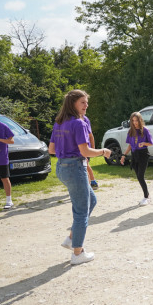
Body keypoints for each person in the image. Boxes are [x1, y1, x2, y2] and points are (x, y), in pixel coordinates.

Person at [49, 90, 111, 265]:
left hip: (62, 167)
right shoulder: (78, 123)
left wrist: (67, 149)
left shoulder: (60, 122)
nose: (86, 105)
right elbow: (85, 151)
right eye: (82, 102)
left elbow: (51, 149)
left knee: (92, 200)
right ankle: (77, 253)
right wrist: (103, 151)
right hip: (75, 168)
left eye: (86, 102)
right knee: (81, 211)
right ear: (73, 103)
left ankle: (71, 238)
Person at [119, 112, 153, 206]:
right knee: (138, 176)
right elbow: (130, 145)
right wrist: (124, 155)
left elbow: (151, 143)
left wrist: (144, 143)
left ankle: (146, 197)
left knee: (141, 176)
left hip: (143, 154)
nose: (135, 123)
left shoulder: (145, 130)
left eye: (136, 120)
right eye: (133, 121)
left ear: (140, 120)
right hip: (134, 155)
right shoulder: (131, 131)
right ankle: (147, 195)